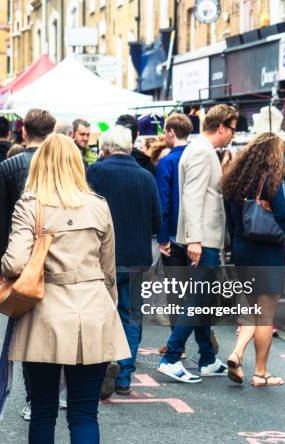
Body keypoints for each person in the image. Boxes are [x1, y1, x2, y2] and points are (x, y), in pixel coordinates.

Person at [1, 133, 130, 443]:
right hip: (93, 309)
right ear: (76, 165)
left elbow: (15, 263)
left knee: (43, 410)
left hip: (45, 313)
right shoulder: (99, 206)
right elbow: (108, 268)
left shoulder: (31, 205)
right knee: (84, 412)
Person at [156, 104, 239, 383]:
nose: (233, 135)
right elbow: (192, 197)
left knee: (201, 297)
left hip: (200, 237)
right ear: (221, 127)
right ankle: (170, 357)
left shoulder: (199, 149)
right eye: (233, 129)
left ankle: (206, 358)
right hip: (203, 239)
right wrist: (195, 240)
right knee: (200, 299)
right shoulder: (203, 152)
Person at [86, 125, 161, 396]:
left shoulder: (95, 172)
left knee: (101, 313)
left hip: (101, 257)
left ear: (105, 148)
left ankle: (102, 366)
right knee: (132, 316)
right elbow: (157, 221)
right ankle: (125, 374)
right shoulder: (146, 177)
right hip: (138, 257)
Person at [223, 132, 285, 387]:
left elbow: (232, 219)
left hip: (242, 249)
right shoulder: (273, 178)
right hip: (268, 251)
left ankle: (236, 352)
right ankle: (260, 372)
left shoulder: (235, 177)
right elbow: (283, 215)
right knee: (265, 314)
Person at [0, 108, 55, 421]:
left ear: (24, 131)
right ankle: (60, 392)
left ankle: (35, 398)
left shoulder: (9, 166)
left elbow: (0, 220)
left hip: (24, 260)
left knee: (28, 330)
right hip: (61, 257)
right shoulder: (65, 165)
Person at [156, 114, 193, 266]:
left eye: (165, 132)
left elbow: (162, 203)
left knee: (178, 287)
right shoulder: (197, 156)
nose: (164, 136)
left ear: (171, 132)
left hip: (174, 234)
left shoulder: (166, 162)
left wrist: (162, 238)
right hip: (198, 234)